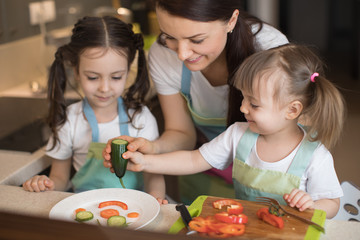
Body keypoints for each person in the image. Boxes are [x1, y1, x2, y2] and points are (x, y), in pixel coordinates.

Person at [104, 44, 345, 218]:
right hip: (244, 228)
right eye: (243, 98)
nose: (242, 108)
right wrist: (144, 162)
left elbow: (332, 203)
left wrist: (314, 205)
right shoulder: (238, 134)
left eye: (254, 104)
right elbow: (193, 159)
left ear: (292, 110)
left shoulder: (316, 156)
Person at [103, 0, 289, 204]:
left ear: (231, 21)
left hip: (265, 176)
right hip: (202, 168)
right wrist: (152, 148)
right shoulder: (163, 55)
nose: (182, 54)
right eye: (169, 37)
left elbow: (289, 137)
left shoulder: (270, 50)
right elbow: (181, 133)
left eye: (197, 40)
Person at [22, 16, 167, 204]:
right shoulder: (70, 120)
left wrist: (156, 200)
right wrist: (45, 183)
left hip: (136, 207)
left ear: (127, 71)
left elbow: (152, 175)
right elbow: (60, 177)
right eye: (92, 77)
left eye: (116, 77)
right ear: (76, 71)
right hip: (86, 208)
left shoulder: (141, 118)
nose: (104, 88)